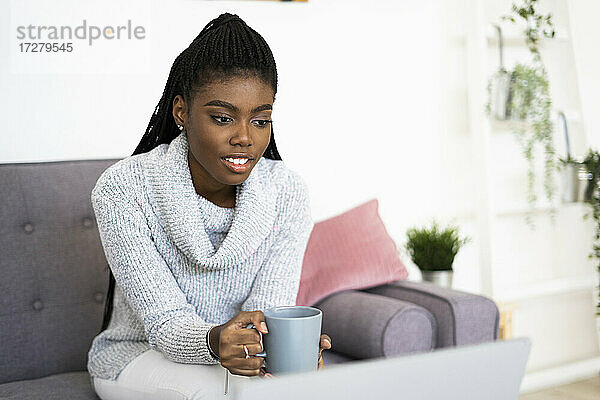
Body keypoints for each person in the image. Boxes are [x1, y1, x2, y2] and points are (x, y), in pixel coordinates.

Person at [87, 12, 332, 400]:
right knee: (219, 392)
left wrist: (283, 357)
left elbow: (266, 313)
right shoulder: (125, 189)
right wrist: (218, 342)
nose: (244, 139)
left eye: (260, 120)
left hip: (234, 364)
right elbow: (164, 321)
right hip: (137, 356)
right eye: (222, 118)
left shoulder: (287, 192)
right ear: (181, 111)